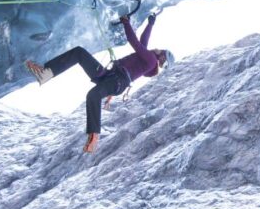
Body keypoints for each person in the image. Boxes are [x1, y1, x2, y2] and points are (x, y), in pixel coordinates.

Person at [25, 13, 170, 153]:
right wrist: (151, 23)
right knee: (79, 53)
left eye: (162, 51)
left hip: (117, 82)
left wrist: (126, 22)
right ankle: (45, 73)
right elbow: (143, 41)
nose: (159, 48)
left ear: (162, 57)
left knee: (93, 95)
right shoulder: (148, 58)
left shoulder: (151, 61)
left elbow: (135, 42)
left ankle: (94, 136)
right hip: (110, 75)